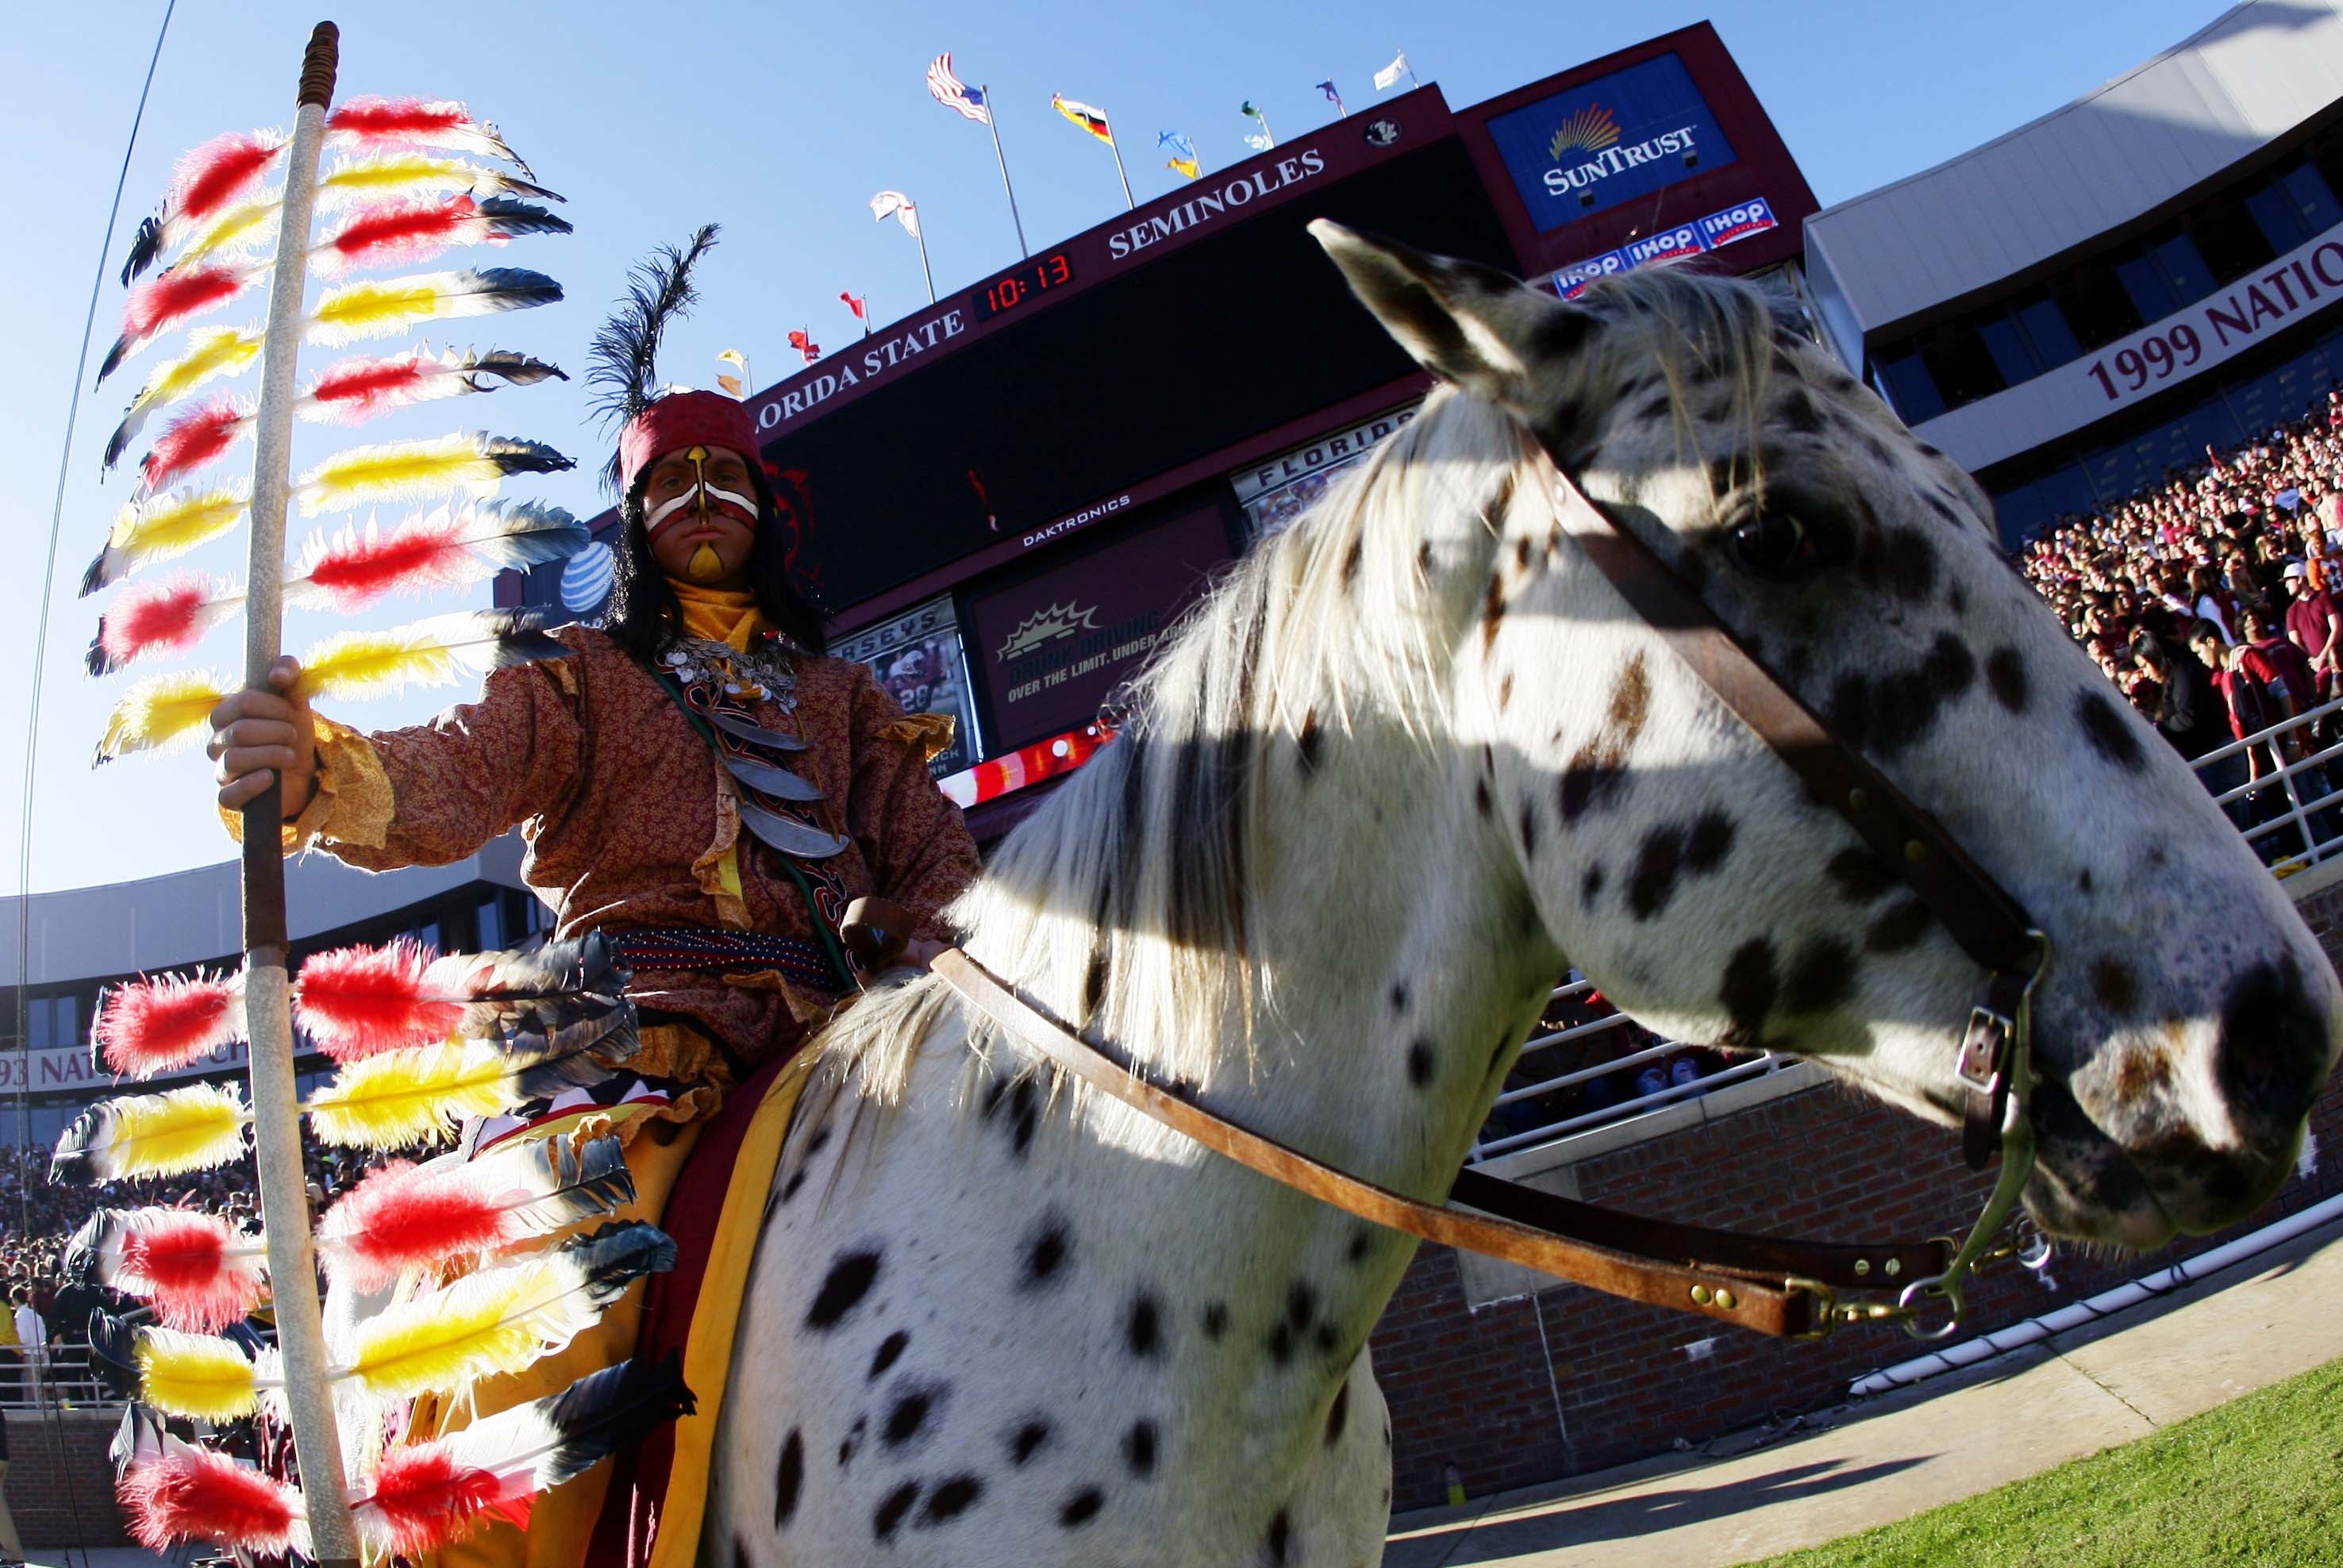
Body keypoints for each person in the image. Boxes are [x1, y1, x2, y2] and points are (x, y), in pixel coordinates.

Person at [203, 230, 983, 1568]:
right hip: (638, 1048)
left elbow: (942, 875)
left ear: (761, 506)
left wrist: (937, 964)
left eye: (723, 474)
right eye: (669, 480)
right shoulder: (575, 679)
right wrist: (317, 770)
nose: (700, 496)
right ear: (635, 520)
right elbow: (447, 780)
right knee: (566, 1318)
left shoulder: (849, 701)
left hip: (856, 1049)